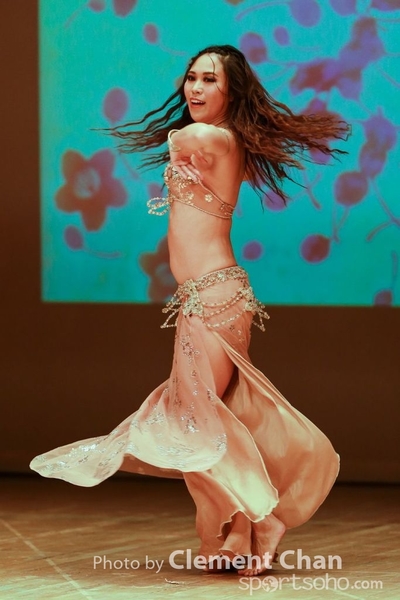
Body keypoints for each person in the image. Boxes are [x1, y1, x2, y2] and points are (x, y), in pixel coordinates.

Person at [31, 45, 350, 577]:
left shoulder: (220, 139)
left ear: (231, 91)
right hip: (205, 296)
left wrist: (182, 139)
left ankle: (262, 519)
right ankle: (242, 529)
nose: (196, 89)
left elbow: (188, 138)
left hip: (214, 296)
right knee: (214, 417)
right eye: (191, 78)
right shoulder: (216, 137)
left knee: (195, 418)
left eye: (210, 80)